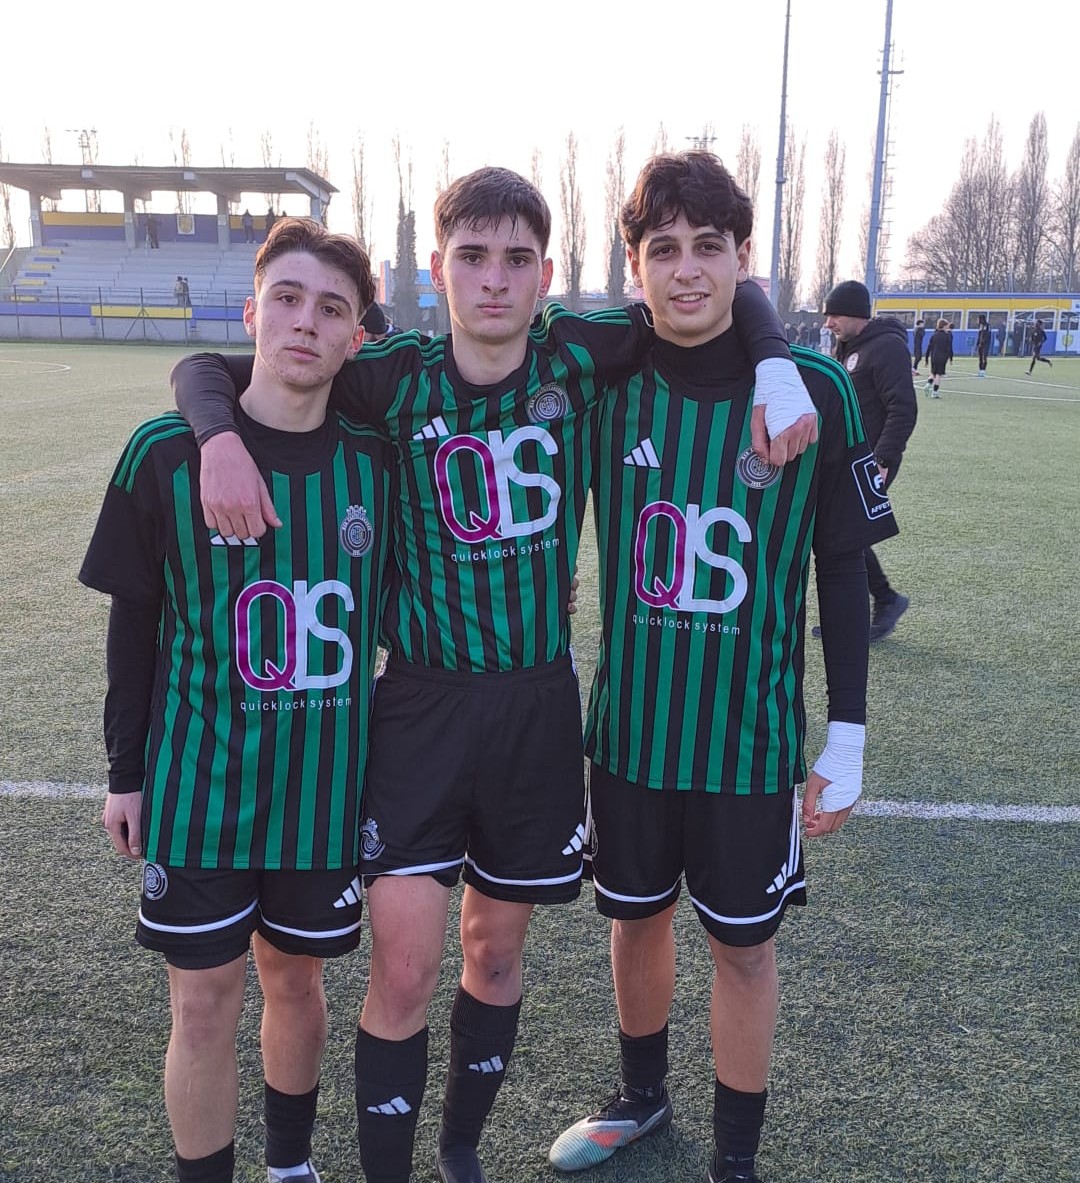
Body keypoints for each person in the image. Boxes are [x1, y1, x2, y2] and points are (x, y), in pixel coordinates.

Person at [170, 166, 818, 1183]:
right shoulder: (394, 375)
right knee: (405, 966)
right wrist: (215, 436)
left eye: (517, 259)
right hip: (420, 707)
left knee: (497, 952)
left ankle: (460, 1148)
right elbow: (213, 366)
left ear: (545, 274)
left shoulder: (579, 352)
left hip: (536, 707)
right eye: (472, 257)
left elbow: (712, 291)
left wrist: (776, 358)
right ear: (438, 268)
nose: (494, 279)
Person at [547, 151, 898, 1183]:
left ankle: (735, 1155)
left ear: (744, 256)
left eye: (710, 246)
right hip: (631, 733)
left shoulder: (816, 390)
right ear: (635, 266)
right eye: (663, 249)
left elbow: (844, 567)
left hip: (748, 744)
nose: (687, 268)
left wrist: (847, 734)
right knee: (634, 920)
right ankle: (642, 1094)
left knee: (744, 947)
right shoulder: (607, 382)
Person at [80, 218, 389, 1183]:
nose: (305, 322)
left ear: (356, 337)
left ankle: (289, 1166)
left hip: (322, 792)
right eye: (286, 299)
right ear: (251, 312)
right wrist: (125, 772)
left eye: (330, 309)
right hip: (200, 786)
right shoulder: (165, 454)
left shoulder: (378, 462)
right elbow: (133, 631)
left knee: (295, 985)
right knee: (203, 1004)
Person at [823, 280, 917, 641]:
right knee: (839, 536)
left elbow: (903, 408)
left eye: (834, 315)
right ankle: (862, 610)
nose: (828, 322)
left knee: (845, 535)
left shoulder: (886, 347)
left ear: (856, 314)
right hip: (843, 458)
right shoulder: (848, 347)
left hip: (872, 461)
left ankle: (885, 599)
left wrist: (883, 459)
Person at [925, 317, 952, 396]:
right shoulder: (947, 336)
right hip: (942, 357)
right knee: (938, 375)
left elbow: (929, 347)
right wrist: (949, 358)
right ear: (944, 326)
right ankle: (935, 392)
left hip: (934, 356)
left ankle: (928, 384)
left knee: (933, 373)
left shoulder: (934, 335)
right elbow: (949, 348)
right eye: (946, 326)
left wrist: (926, 359)